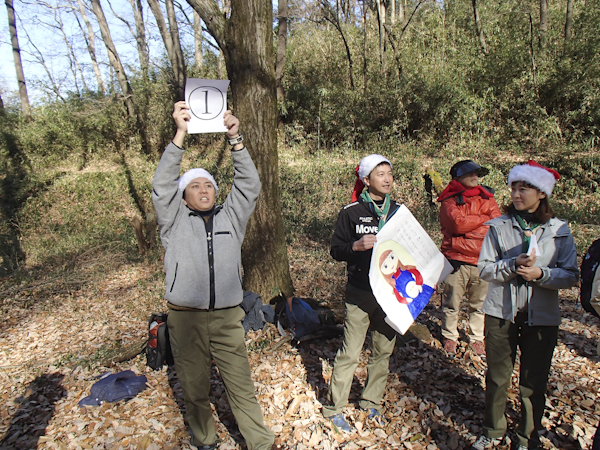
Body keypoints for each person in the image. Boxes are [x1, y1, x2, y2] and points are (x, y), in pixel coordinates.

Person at [152, 102, 275, 450]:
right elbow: (162, 186)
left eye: (209, 185)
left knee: (241, 385)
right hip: (185, 318)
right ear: (185, 195)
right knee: (194, 388)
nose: (204, 190)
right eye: (195, 186)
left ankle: (260, 443)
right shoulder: (173, 222)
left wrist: (235, 138)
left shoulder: (230, 219)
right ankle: (205, 440)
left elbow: (250, 184)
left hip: (226, 318)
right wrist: (180, 134)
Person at [471, 160, 578, 450]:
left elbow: (571, 275)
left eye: (524, 188)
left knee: (534, 382)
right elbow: (484, 268)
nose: (516, 194)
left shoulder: (559, 231)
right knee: (497, 378)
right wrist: (511, 266)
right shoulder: (498, 226)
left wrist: (541, 274)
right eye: (514, 187)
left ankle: (527, 437)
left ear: (541, 193)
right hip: (500, 314)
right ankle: (492, 431)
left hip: (541, 317)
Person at [322, 154, 401, 432]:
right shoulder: (351, 211)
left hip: (391, 295)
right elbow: (335, 250)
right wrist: (355, 246)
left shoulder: (399, 212)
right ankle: (334, 408)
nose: (387, 178)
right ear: (366, 180)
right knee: (350, 352)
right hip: (360, 291)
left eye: (390, 173)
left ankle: (372, 403)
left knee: (382, 351)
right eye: (381, 174)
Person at [437, 160, 501, 356]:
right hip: (456, 260)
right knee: (451, 303)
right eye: (470, 174)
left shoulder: (487, 198)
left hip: (483, 260)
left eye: (477, 174)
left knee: (479, 305)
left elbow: (498, 224)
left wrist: (468, 229)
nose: (475, 177)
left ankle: (476, 338)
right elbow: (457, 225)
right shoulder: (449, 200)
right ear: (458, 178)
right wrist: (483, 220)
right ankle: (450, 337)